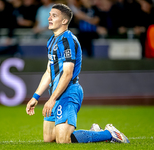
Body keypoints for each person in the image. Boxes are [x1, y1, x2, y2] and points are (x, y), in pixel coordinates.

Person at [26, 3, 130, 144]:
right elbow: (49, 71)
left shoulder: (68, 40)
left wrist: (52, 100)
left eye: (54, 16)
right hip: (56, 93)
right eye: (50, 15)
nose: (49, 18)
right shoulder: (51, 41)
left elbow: (68, 74)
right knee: (49, 138)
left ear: (64, 21)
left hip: (68, 91)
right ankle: (95, 132)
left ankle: (109, 134)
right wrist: (35, 97)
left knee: (63, 140)